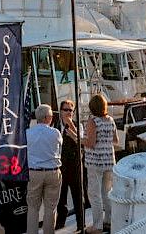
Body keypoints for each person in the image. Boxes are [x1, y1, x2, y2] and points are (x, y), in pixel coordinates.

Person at [84, 94, 118, 234]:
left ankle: (97, 226)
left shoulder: (93, 121)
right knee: (107, 193)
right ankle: (109, 221)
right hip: (109, 161)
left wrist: (78, 139)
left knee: (94, 194)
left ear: (92, 107)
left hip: (95, 162)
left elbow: (91, 143)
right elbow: (115, 140)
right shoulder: (110, 120)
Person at [26, 104, 63, 234]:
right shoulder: (55, 133)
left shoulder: (27, 133)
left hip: (34, 172)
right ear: (48, 118)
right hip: (53, 171)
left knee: (32, 207)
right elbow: (59, 149)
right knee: (51, 208)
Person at [55, 99, 84, 232]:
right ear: (60, 112)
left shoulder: (78, 126)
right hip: (60, 165)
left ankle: (80, 223)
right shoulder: (55, 126)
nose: (68, 113)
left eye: (70, 110)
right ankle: (61, 221)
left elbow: (81, 141)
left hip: (75, 164)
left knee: (78, 195)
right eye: (65, 110)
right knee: (61, 195)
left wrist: (71, 125)